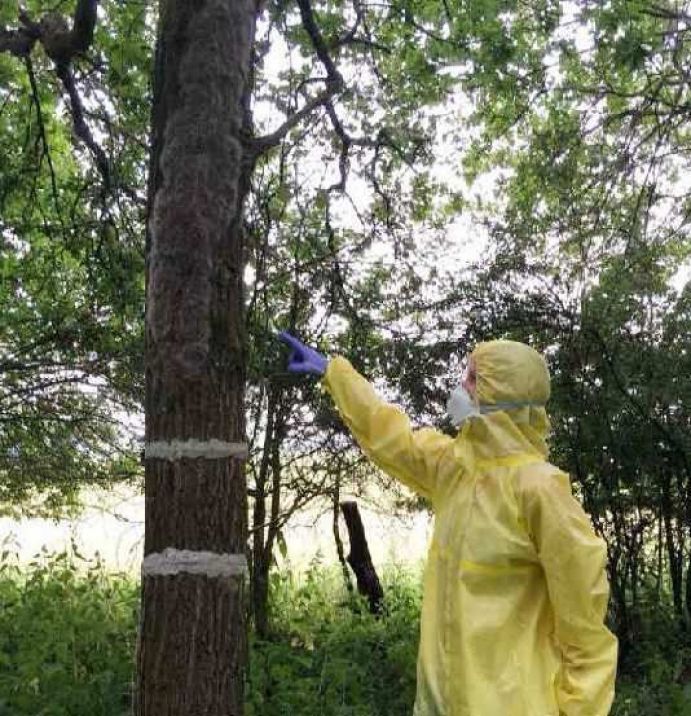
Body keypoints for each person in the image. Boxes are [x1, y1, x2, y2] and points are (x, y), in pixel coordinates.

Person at [278, 332, 618, 716]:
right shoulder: (455, 469)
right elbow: (393, 437)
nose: (462, 386)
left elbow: (585, 631)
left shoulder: (539, 489)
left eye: (474, 378)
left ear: (503, 393)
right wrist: (335, 374)